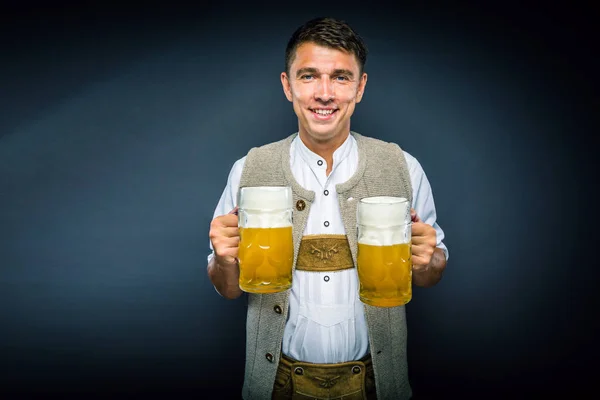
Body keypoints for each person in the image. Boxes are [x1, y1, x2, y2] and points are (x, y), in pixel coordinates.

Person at [207, 17, 448, 400]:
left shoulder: (403, 167)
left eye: (340, 77)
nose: (324, 93)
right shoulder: (248, 169)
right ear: (287, 86)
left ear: (360, 87)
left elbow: (428, 275)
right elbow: (229, 288)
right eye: (308, 76)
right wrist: (223, 259)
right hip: (276, 383)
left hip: (375, 382)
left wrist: (429, 258)